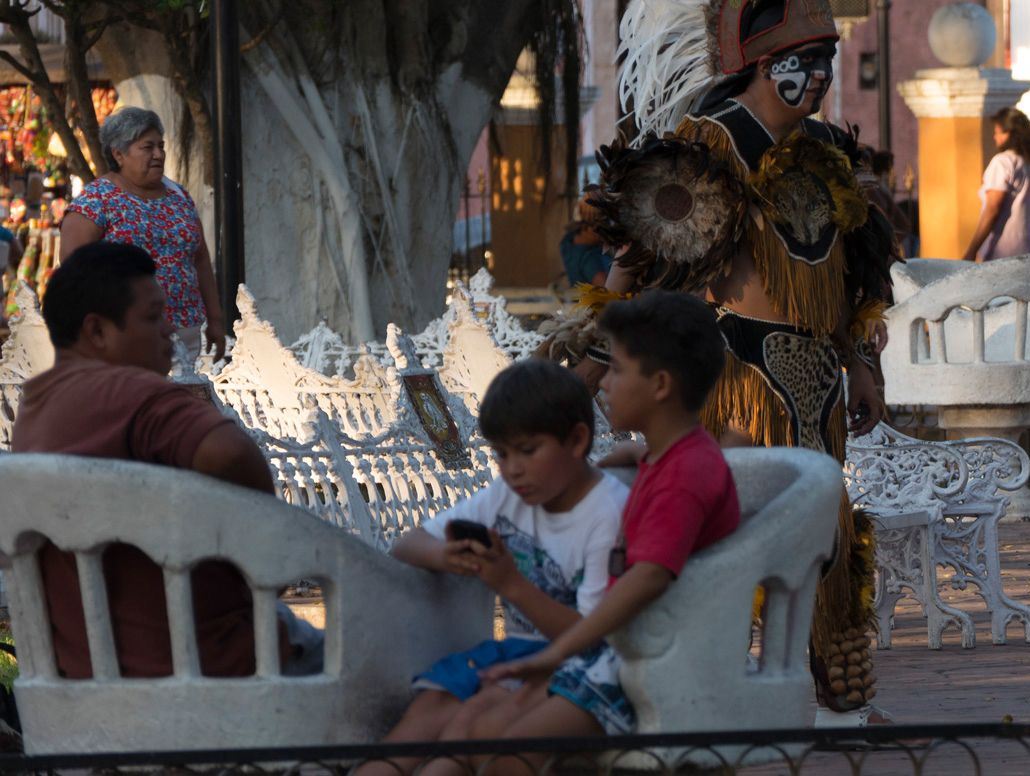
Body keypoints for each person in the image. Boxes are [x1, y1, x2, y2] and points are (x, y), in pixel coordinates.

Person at [549, 0, 900, 721]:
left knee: (827, 537)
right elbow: (643, 255)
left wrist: (862, 363)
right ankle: (725, 696)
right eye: (800, 59)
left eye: (825, 58)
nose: (816, 76)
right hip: (738, 374)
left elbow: (856, 273)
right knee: (741, 540)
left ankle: (836, 699)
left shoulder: (827, 152)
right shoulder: (708, 142)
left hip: (819, 379)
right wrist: (596, 353)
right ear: (757, 56)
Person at [437, 291, 740, 776]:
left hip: (645, 663)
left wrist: (556, 654)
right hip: (618, 652)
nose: (604, 382)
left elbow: (648, 577)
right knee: (476, 728)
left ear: (660, 385)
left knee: (506, 753)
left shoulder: (684, 476)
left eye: (616, 369)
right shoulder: (673, 458)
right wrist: (637, 456)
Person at [10, 242, 319, 678]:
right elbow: (230, 452)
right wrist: (272, 541)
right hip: (217, 665)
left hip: (87, 677)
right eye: (153, 317)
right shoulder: (138, 396)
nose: (170, 329)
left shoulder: (33, 412)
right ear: (97, 331)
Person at [360, 359, 631, 776]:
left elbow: (590, 635)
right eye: (502, 454)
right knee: (428, 711)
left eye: (528, 450)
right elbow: (407, 544)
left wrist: (512, 585)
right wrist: (447, 556)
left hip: (575, 664)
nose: (513, 468)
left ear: (577, 441)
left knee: (469, 730)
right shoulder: (508, 494)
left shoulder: (607, 514)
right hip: (514, 652)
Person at [60, 107, 226, 364]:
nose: (158, 154)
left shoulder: (179, 196)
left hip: (186, 333)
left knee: (181, 390)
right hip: (126, 336)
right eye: (148, 147)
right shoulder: (97, 200)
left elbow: (201, 258)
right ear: (119, 154)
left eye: (161, 146)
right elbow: (74, 269)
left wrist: (215, 319)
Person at [962, 107, 1030, 261]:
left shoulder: (1003, 162)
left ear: (1009, 134)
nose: (995, 137)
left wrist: (972, 250)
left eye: (998, 132)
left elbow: (993, 208)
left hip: (1006, 253)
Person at [559, 190, 611, 288]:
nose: (604, 236)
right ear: (588, 229)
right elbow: (608, 289)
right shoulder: (590, 259)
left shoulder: (567, 243)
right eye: (601, 230)